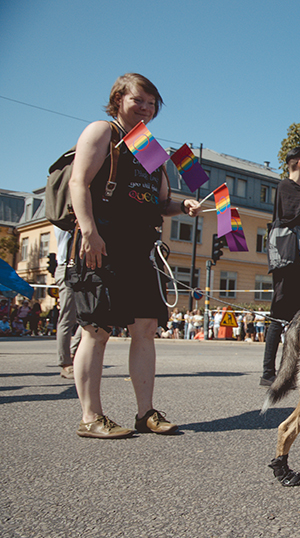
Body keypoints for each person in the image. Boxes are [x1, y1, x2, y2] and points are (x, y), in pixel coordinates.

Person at [67, 73, 201, 439]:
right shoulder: (102, 132)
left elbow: (158, 202)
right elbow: (79, 182)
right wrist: (90, 232)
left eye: (151, 102)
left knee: (145, 329)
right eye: (138, 100)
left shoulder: (149, 145)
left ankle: (146, 413)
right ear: (119, 99)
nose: (145, 107)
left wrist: (183, 205)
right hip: (103, 243)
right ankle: (91, 416)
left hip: (142, 248)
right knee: (96, 330)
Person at [261, 147, 300, 386]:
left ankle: (291, 369)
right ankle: (268, 372)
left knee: (299, 317)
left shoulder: (296, 190)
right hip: (285, 258)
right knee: (279, 315)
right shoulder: (286, 187)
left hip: (296, 259)